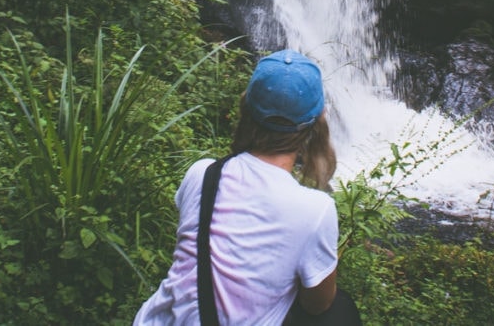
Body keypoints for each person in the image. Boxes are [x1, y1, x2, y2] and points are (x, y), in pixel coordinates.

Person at [133, 49, 362, 325]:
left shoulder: (202, 174)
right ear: (315, 124)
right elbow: (317, 305)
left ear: (246, 108)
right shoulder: (316, 209)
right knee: (340, 310)